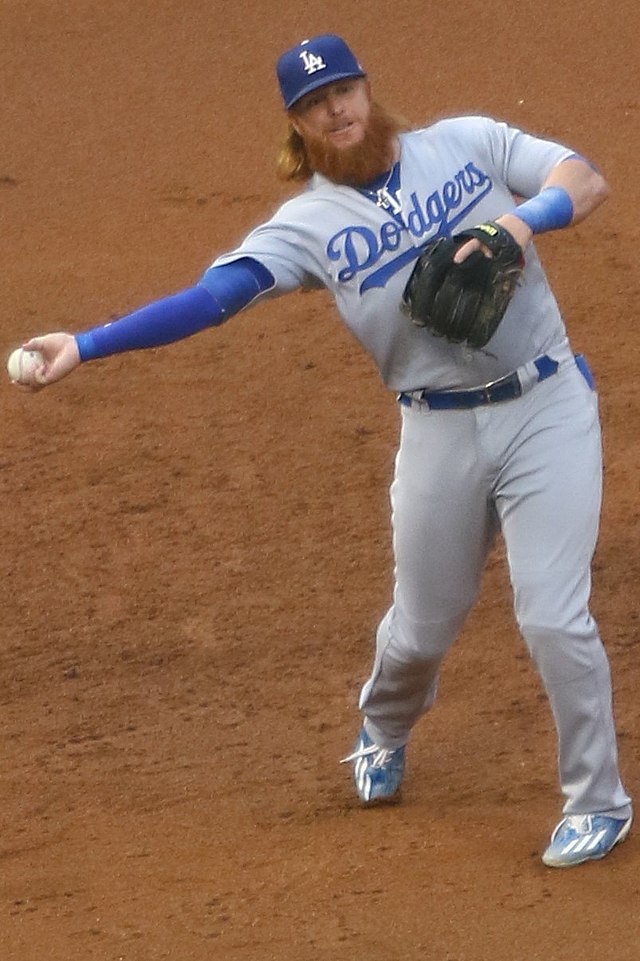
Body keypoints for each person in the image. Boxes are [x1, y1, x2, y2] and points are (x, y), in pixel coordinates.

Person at [14, 33, 632, 868]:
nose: (334, 110)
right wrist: (86, 345)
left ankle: (597, 800)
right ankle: (382, 727)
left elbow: (582, 177)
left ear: (366, 91)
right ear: (296, 127)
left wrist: (518, 223)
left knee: (553, 613)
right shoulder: (307, 224)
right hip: (438, 428)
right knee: (420, 629)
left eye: (342, 91)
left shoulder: (466, 142)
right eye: (312, 105)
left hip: (546, 401)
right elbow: (213, 299)